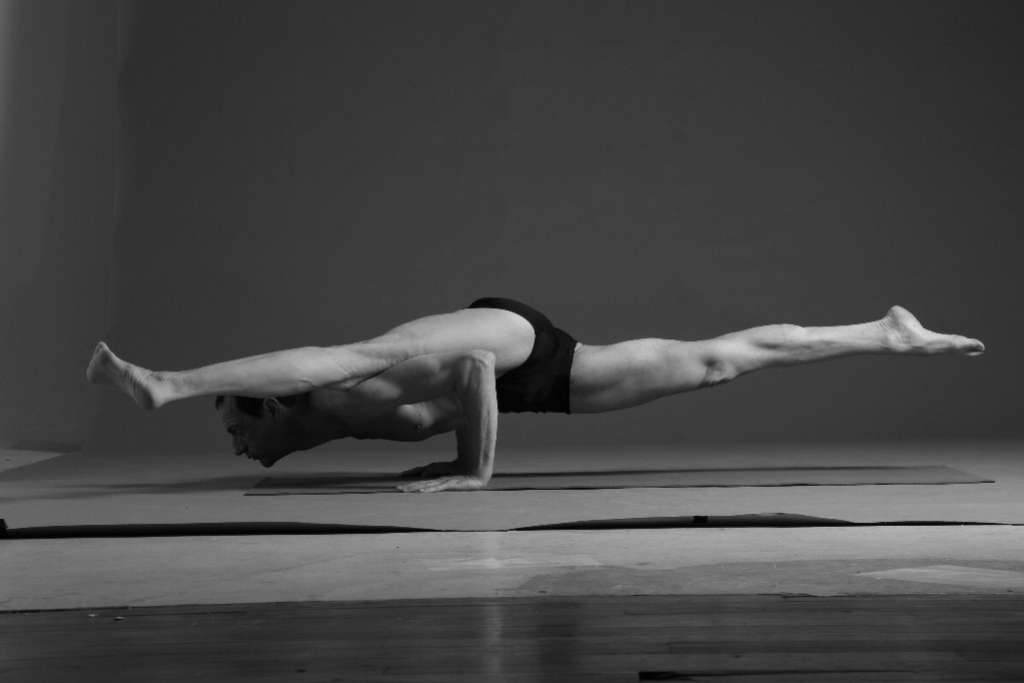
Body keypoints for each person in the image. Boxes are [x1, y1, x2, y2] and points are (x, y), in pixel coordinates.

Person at [86, 297, 985, 492]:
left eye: (236, 425)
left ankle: (166, 383)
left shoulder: (337, 394)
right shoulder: (340, 435)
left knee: (351, 355)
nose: (237, 447)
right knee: (713, 361)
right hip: (537, 382)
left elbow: (472, 374)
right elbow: (462, 402)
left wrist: (472, 472)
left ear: (268, 406)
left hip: (503, 341)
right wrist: (455, 452)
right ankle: (885, 333)